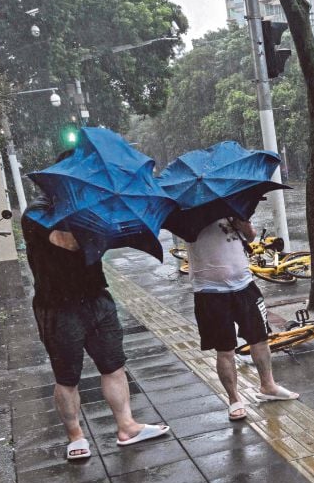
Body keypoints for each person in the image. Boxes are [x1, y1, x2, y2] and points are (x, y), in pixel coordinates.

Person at [23, 166, 169, 460]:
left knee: (113, 365)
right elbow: (68, 241)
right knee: (67, 377)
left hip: (96, 299)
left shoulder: (89, 209)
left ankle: (126, 426)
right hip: (58, 307)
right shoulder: (36, 213)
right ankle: (75, 435)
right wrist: (99, 221)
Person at [186, 217, 297, 421]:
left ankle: (268, 385)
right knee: (225, 348)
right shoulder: (187, 214)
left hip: (245, 285)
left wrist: (242, 224)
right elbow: (188, 235)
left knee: (260, 339)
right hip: (210, 292)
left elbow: (251, 236)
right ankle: (234, 399)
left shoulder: (232, 206)